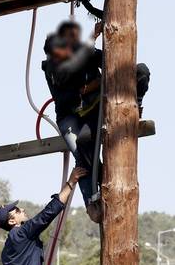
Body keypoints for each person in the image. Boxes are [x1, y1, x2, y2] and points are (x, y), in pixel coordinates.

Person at [42, 20, 150, 223]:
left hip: (93, 110)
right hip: (71, 117)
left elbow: (111, 65)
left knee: (140, 71)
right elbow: (71, 92)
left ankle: (136, 106)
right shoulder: (52, 68)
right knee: (83, 156)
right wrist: (98, 81)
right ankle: (92, 201)